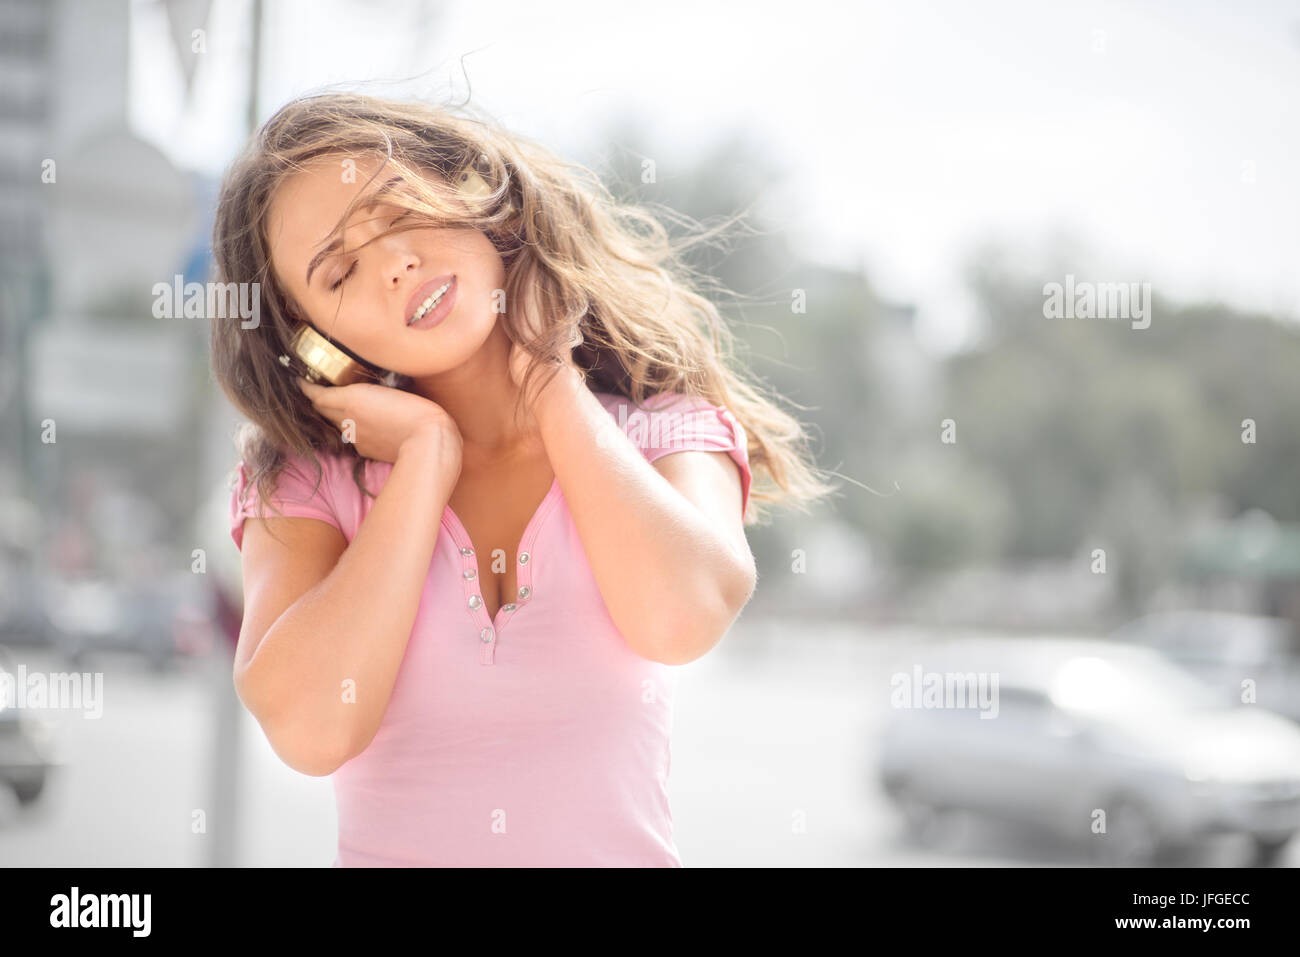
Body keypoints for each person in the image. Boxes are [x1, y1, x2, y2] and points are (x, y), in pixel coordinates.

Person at [209, 92, 835, 867]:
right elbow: (309, 728)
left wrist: (551, 384)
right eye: (340, 272)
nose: (395, 262)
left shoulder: (663, 428)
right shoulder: (307, 484)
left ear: (474, 194)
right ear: (319, 349)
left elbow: (684, 615)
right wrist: (424, 460)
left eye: (399, 211)